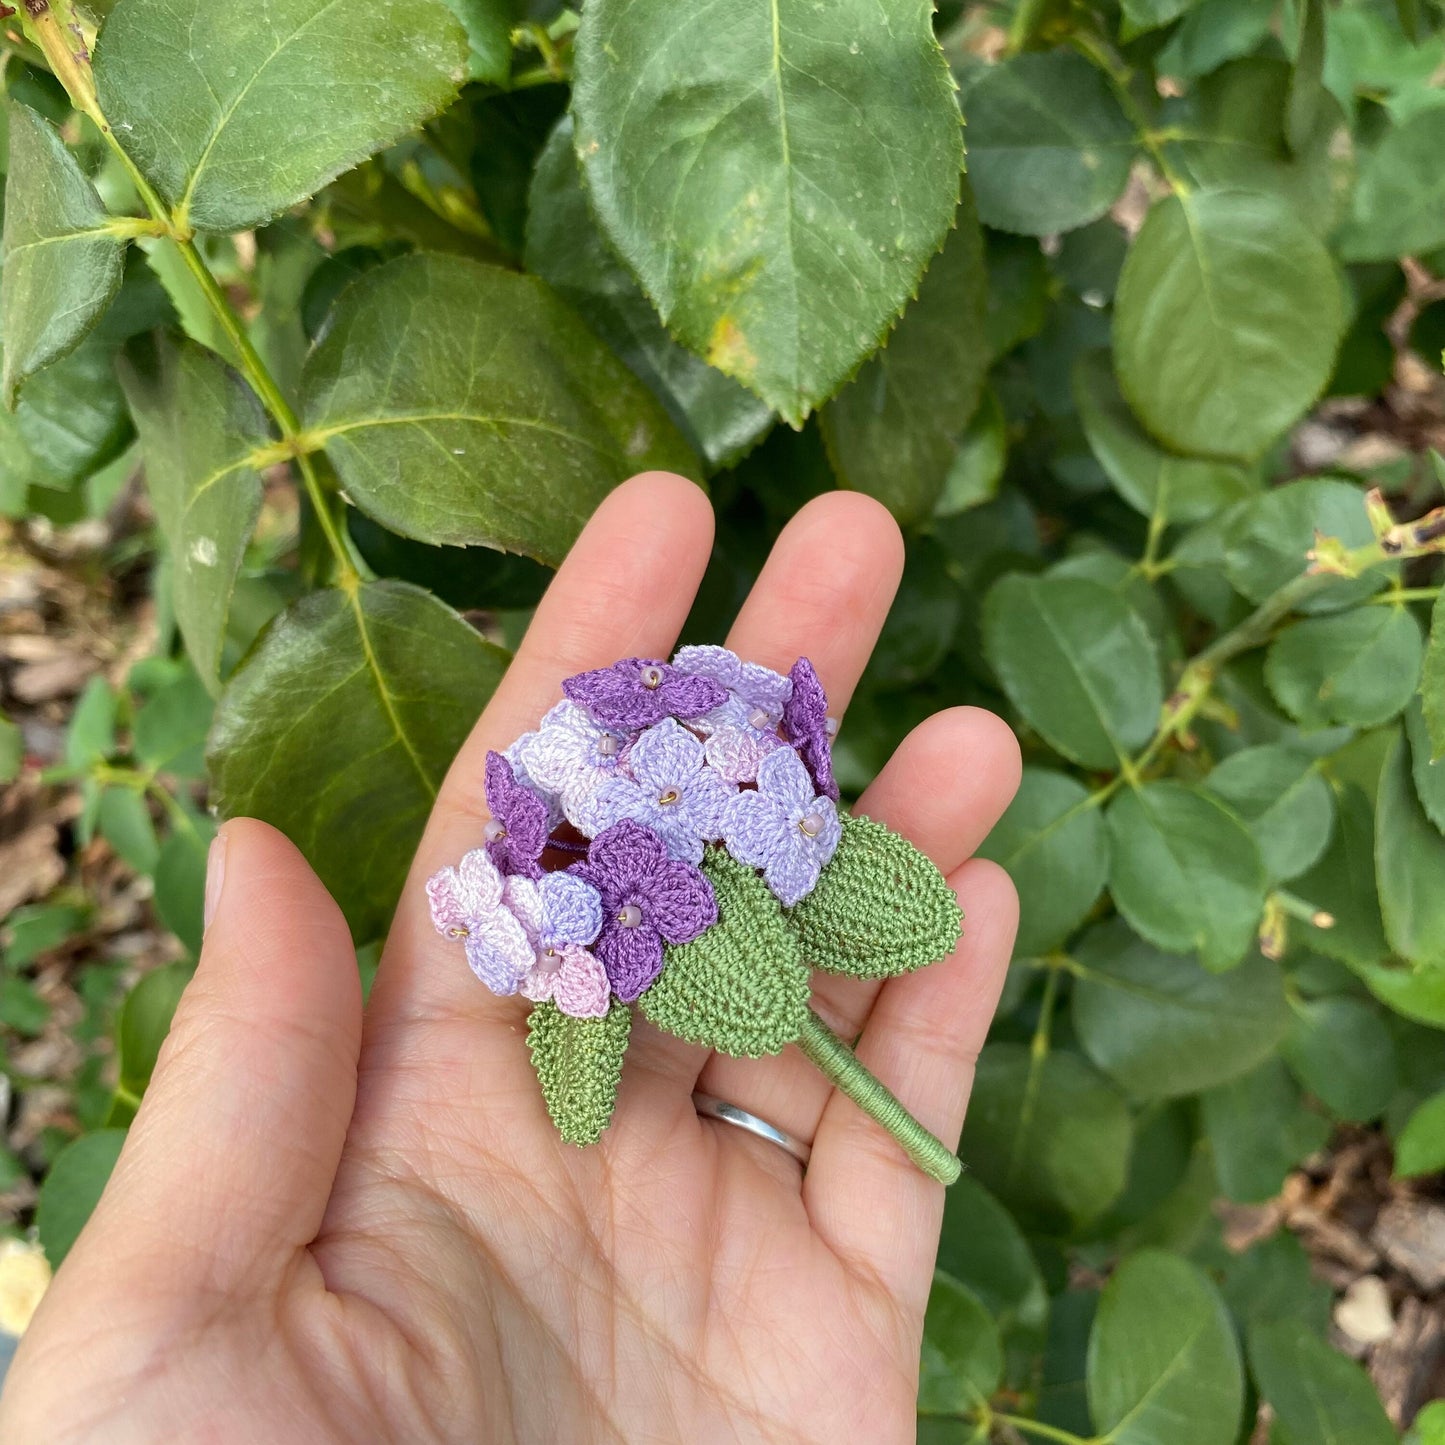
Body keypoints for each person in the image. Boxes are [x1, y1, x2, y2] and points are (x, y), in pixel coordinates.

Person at [0, 474, 1021, 1443]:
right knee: (764, 997)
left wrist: (707, 793)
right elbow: (635, 919)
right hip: (605, 908)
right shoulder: (554, 893)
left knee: (890, 937)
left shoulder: (686, 759)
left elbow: (679, 865)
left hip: (738, 834)